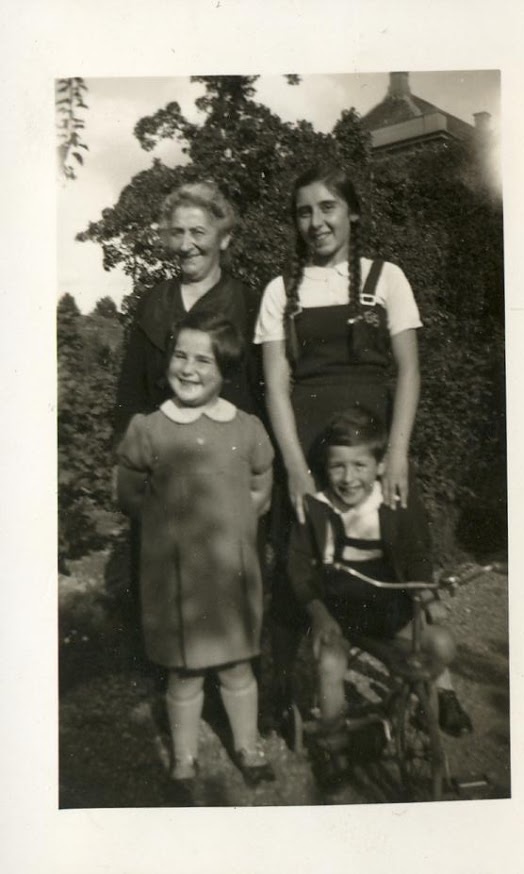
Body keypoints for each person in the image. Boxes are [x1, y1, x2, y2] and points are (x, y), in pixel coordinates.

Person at [253, 163, 424, 732]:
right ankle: (279, 684)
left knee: (392, 545)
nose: (316, 221)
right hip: (306, 443)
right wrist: (297, 469)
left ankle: (423, 680)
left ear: (352, 212)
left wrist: (396, 454)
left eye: (328, 207)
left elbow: (408, 370)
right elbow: (276, 384)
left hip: (373, 445)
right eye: (304, 211)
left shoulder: (388, 278)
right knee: (297, 557)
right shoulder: (281, 290)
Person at [116, 312, 275, 787]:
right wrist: (163, 527)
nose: (188, 368)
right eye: (180, 356)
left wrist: (246, 511)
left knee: (236, 667)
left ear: (224, 369)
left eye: (202, 360)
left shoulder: (245, 428)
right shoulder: (150, 427)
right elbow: (128, 489)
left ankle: (247, 745)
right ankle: (184, 756)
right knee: (182, 674)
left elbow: (262, 476)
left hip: (229, 572)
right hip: (174, 576)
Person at [287, 406, 472, 780]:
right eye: (338, 466)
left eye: (360, 466)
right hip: (339, 617)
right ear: (325, 468)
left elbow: (415, 552)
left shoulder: (391, 505)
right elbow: (299, 566)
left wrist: (426, 596)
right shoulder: (317, 508)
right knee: (330, 664)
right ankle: (335, 744)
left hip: (388, 614)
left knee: (441, 644)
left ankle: (404, 704)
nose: (349, 477)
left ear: (379, 466)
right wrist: (319, 615)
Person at [115, 178, 257, 441]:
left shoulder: (249, 305)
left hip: (227, 455)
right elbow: (131, 392)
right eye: (177, 232)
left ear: (224, 238)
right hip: (160, 455)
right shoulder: (153, 302)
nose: (185, 245)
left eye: (198, 232)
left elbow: (261, 395)